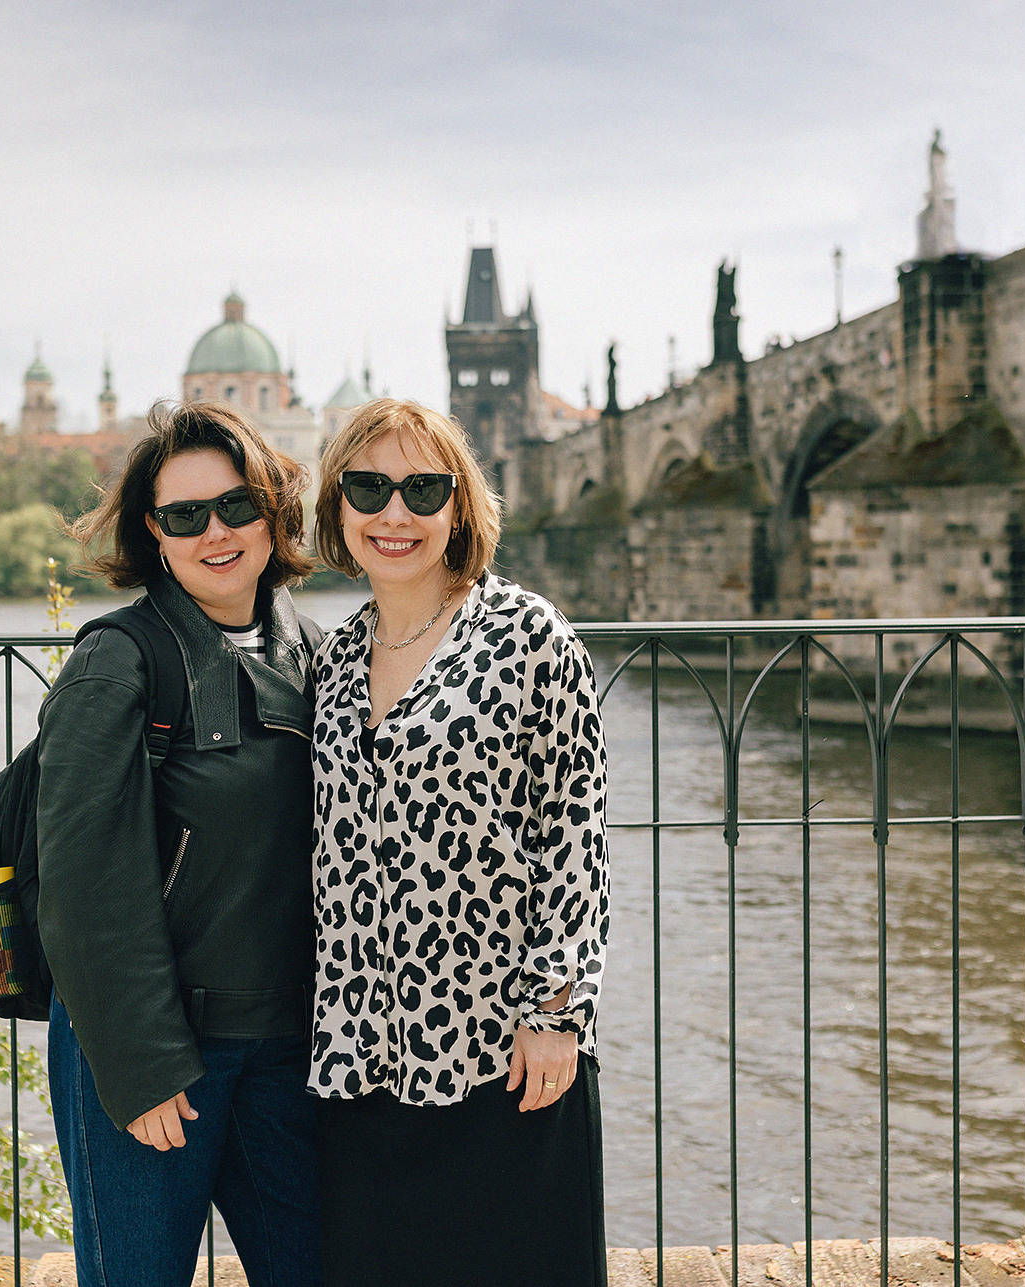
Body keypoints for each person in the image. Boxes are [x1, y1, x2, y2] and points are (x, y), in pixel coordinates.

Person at [305, 398, 610, 1286]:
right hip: (359, 1059)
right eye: (368, 487)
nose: (393, 513)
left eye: (421, 488)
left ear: (458, 507)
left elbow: (575, 831)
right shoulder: (330, 660)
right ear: (339, 509)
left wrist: (556, 1014)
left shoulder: (528, 636)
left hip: (501, 1055)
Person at [37, 400, 323, 1287]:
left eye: (236, 505)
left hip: (283, 1047)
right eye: (184, 515)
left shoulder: (309, 650)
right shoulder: (115, 662)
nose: (216, 531)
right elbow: (84, 887)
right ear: (152, 534)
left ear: (273, 510)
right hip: (157, 1053)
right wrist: (143, 1061)